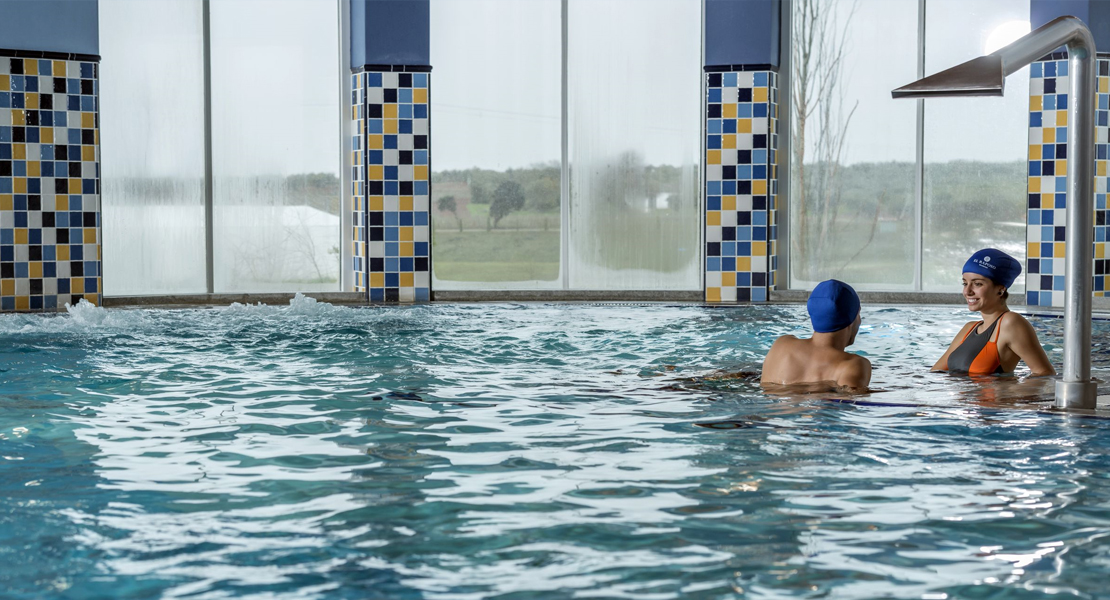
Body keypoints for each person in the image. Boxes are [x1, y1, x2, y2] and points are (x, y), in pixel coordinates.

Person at [932, 248, 1055, 376]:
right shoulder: (968, 329)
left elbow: (1045, 374)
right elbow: (935, 373)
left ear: (1000, 290)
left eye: (977, 284)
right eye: (965, 283)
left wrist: (1012, 392)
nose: (967, 292)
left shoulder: (1010, 323)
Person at [761, 279, 871, 391]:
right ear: (851, 319)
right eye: (858, 313)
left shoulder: (781, 345)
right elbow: (846, 405)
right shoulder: (852, 366)